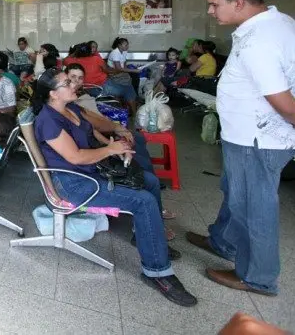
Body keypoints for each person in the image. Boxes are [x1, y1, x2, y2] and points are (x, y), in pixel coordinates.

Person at [33, 68, 196, 306]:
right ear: (52, 94)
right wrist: (111, 150)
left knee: (149, 181)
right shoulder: (48, 121)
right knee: (144, 201)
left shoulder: (70, 109)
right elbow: (76, 157)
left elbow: (93, 126)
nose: (73, 85)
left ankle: (148, 239)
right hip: (74, 183)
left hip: (90, 171)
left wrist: (115, 136)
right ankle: (158, 272)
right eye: (67, 83)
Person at [187, 0, 295, 297]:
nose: (210, 11)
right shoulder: (278, 23)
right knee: (235, 192)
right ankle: (223, 241)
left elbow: (284, 102)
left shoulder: (259, 41)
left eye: (214, 4)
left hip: (257, 140)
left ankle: (257, 277)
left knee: (254, 207)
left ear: (238, 1)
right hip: (248, 136)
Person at [66, 63, 177, 228]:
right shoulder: (65, 104)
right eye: (72, 77)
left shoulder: (76, 98)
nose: (76, 81)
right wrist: (115, 135)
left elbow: (93, 121)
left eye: (80, 78)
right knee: (138, 156)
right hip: (96, 146)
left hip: (100, 136)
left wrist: (118, 129)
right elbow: (92, 126)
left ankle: (152, 198)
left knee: (138, 139)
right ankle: (147, 197)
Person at [105, 37, 139, 115]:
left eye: (128, 45)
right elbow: (118, 68)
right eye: (125, 45)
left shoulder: (124, 52)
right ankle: (130, 107)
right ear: (119, 45)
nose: (127, 47)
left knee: (133, 78)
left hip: (120, 73)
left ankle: (129, 104)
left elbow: (124, 66)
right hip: (114, 73)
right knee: (128, 87)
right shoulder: (115, 53)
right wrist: (134, 70)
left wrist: (132, 71)